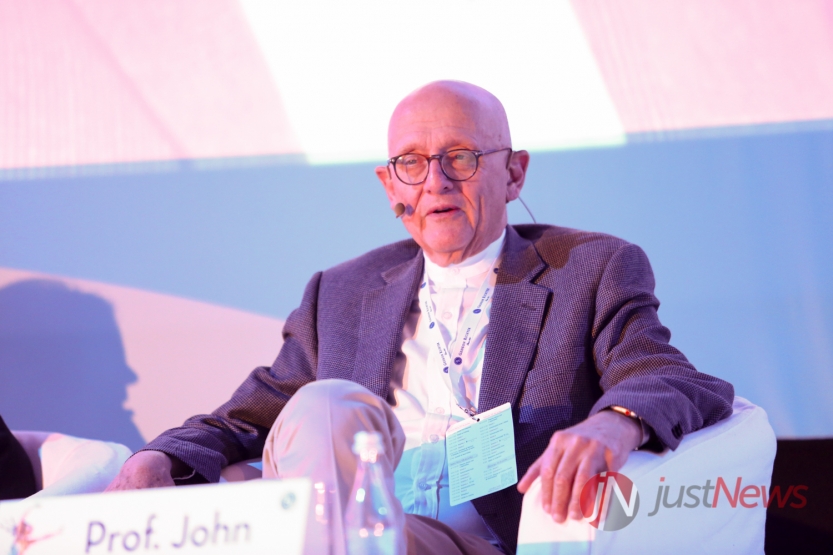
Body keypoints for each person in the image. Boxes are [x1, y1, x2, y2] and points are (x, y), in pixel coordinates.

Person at [105, 81, 734, 554]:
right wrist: (162, 458)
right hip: (357, 526)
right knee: (325, 406)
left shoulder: (589, 269)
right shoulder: (341, 291)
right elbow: (250, 416)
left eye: (461, 156)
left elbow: (672, 378)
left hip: (475, 541)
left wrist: (616, 423)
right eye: (411, 162)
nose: (435, 181)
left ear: (514, 173)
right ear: (391, 187)